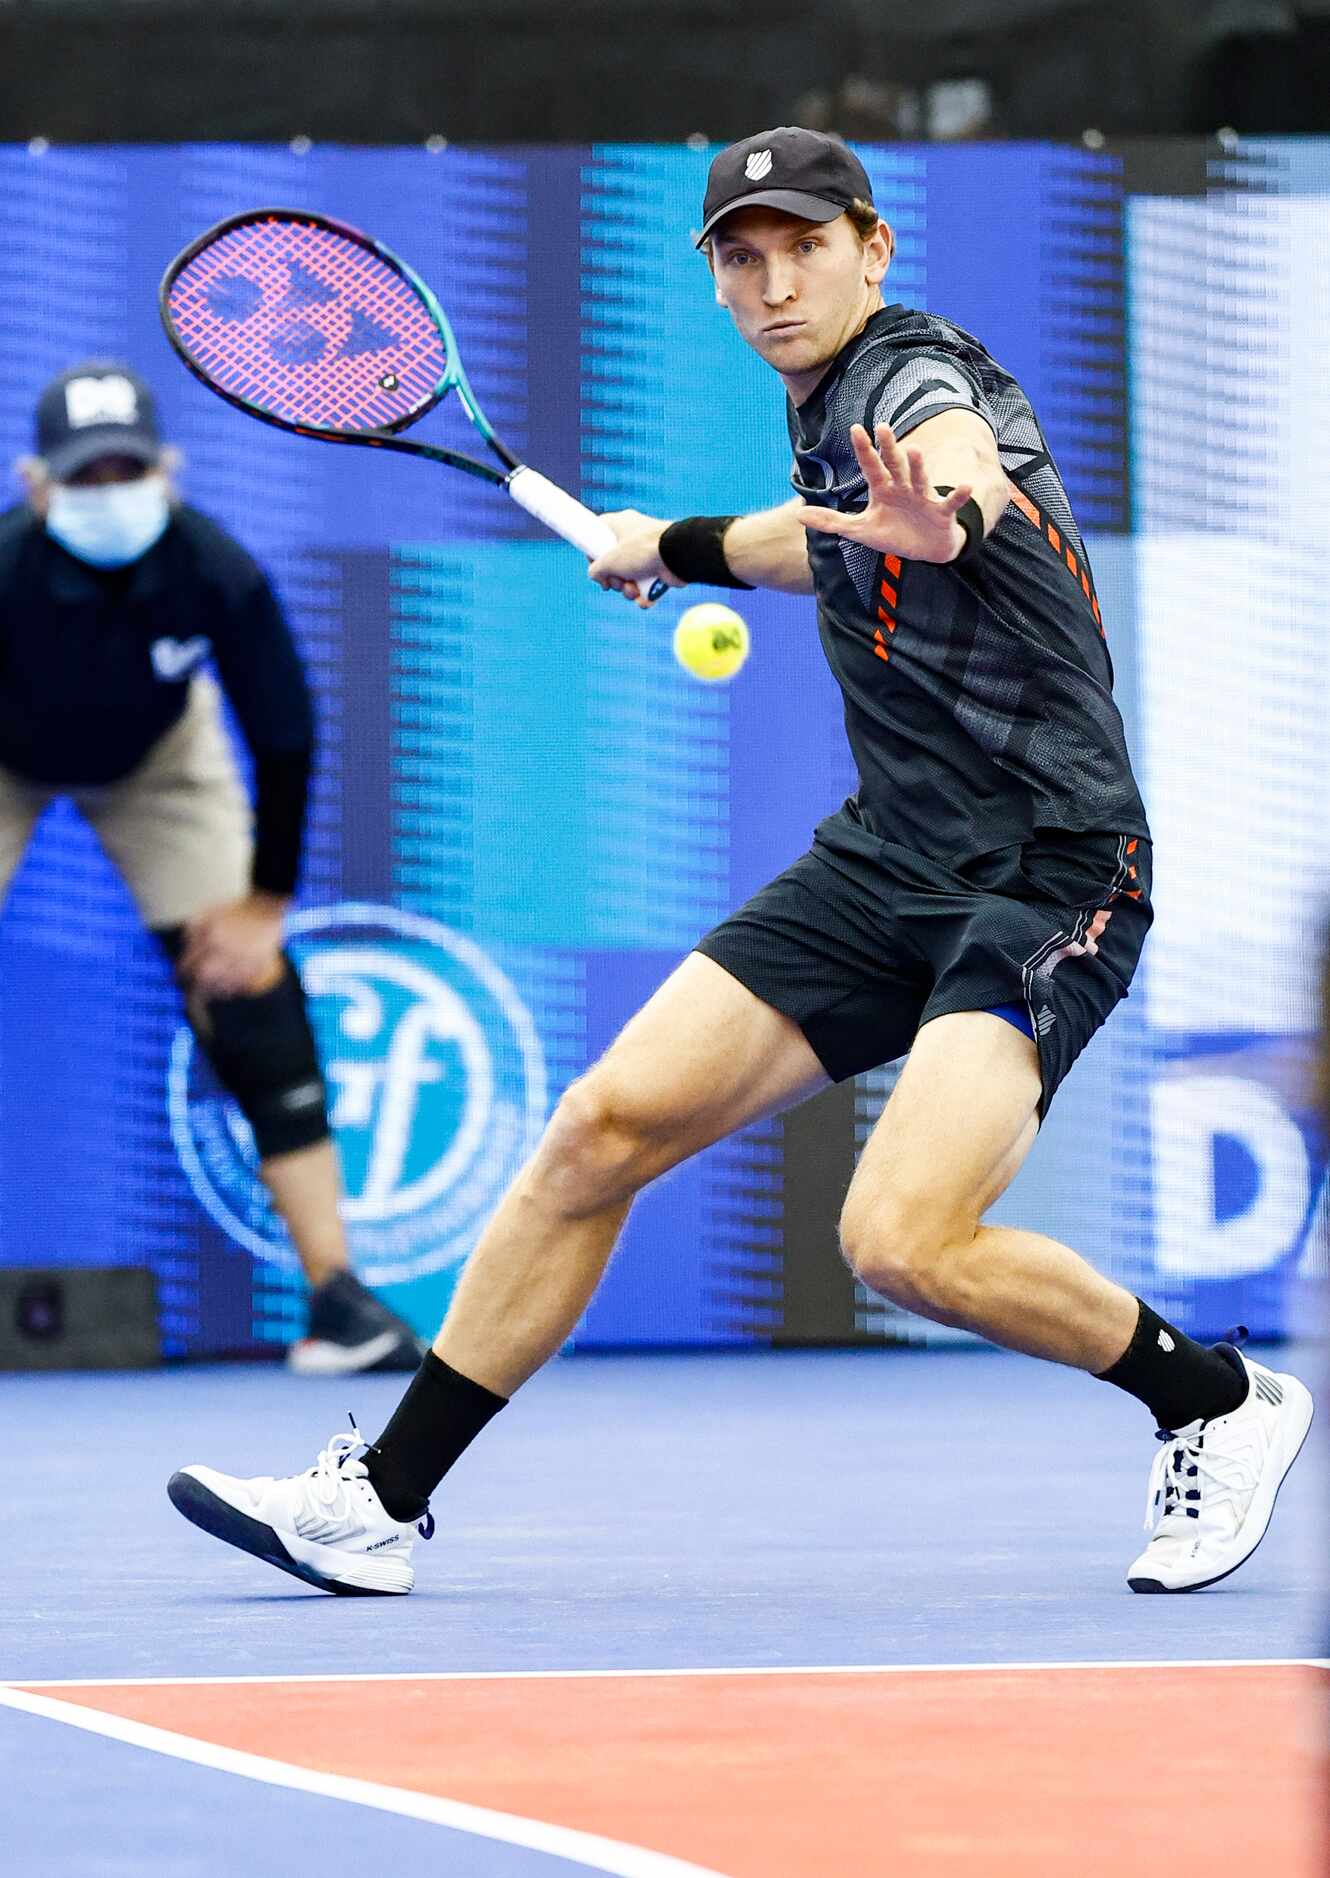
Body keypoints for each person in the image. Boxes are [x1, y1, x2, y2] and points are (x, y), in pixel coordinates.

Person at [168, 129, 1312, 1595]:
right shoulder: (825, 413)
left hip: (1048, 865)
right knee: (600, 1128)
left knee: (898, 1238)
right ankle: (379, 1500)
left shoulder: (910, 377)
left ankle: (1213, 1400)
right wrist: (674, 544)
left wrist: (942, 517)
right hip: (886, 856)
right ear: (713, 278)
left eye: (804, 246)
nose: (775, 282)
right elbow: (812, 537)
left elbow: (944, 481)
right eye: (741, 256)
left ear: (870, 247)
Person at [1, 361, 421, 1375]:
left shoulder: (216, 572)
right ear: (37, 482)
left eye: (127, 471)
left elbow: (284, 735)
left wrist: (262, 905)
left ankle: (339, 1301)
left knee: (254, 996)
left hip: (158, 757)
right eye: (85, 476)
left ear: (170, 472)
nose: (110, 494)